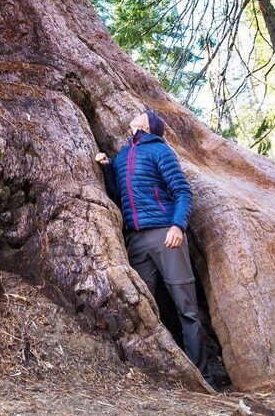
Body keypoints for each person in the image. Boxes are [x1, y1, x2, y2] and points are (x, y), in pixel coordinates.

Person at [95, 108, 204, 372]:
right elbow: (119, 195)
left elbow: (182, 191)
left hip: (165, 234)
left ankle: (199, 373)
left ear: (149, 126)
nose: (136, 113)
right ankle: (156, 370)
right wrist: (107, 168)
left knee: (186, 305)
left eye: (143, 113)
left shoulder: (160, 150)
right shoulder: (123, 156)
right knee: (141, 305)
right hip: (135, 239)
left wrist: (177, 226)